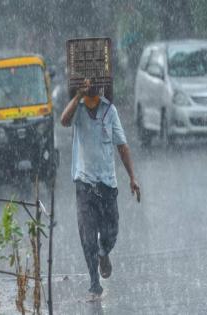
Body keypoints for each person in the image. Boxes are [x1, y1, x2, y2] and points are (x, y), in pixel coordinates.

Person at [60, 78, 141, 300]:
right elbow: (64, 121)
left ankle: (104, 252)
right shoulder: (78, 108)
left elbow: (122, 146)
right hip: (85, 185)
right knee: (87, 236)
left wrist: (132, 177)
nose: (91, 87)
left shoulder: (110, 111)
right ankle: (94, 284)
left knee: (111, 232)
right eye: (87, 84)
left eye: (93, 83)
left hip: (107, 185)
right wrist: (77, 95)